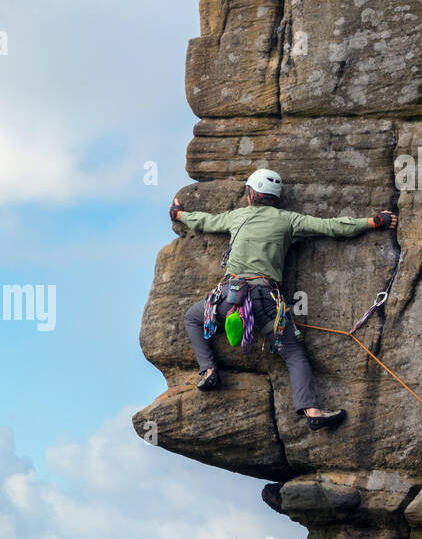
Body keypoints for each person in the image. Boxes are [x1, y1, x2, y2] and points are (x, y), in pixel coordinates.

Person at [170, 168, 397, 431]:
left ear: (252, 194)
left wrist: (179, 215)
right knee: (293, 353)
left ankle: (208, 371)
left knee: (193, 317)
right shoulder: (288, 220)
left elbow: (204, 222)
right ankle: (312, 411)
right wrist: (373, 221)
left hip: (229, 298)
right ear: (275, 198)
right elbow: (331, 227)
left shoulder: (237, 217)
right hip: (266, 301)